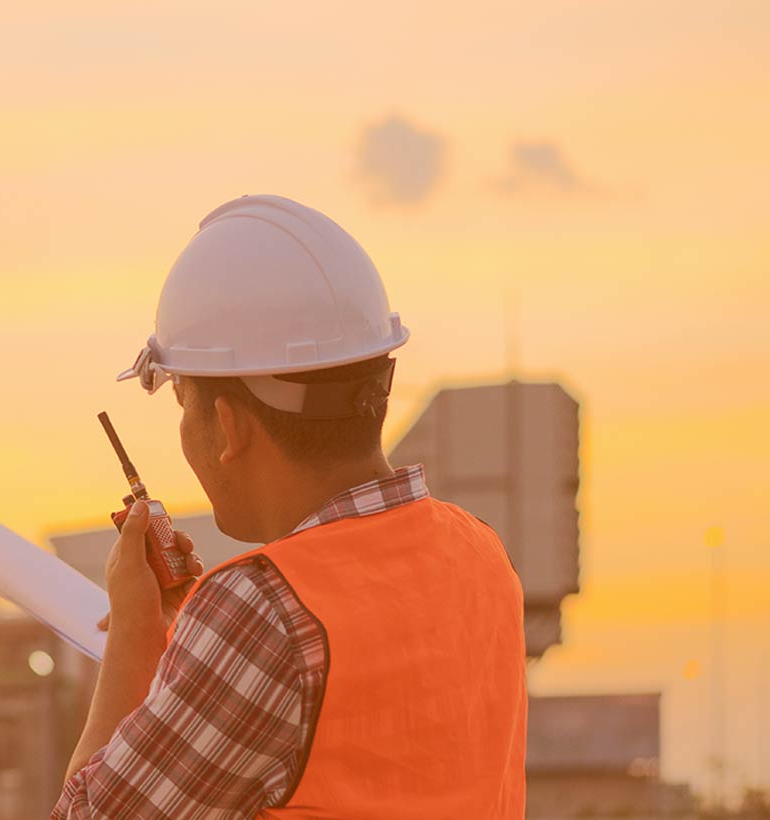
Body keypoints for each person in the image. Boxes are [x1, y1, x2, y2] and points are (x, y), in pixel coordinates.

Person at [51, 195, 528, 819]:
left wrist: (138, 641)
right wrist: (198, 642)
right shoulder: (479, 552)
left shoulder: (261, 610)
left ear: (227, 427)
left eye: (182, 405)